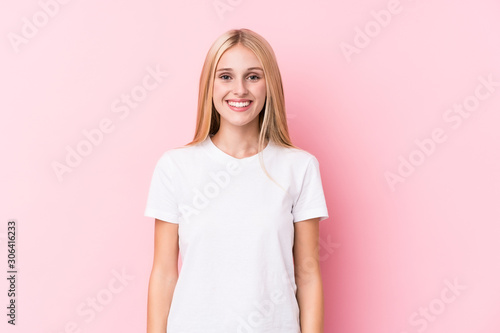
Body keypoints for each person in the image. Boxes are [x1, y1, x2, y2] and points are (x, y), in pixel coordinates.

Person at [144, 28, 329, 333]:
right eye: (226, 76)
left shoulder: (299, 167)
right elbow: (164, 273)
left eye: (253, 76)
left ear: (269, 84)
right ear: (209, 85)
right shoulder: (175, 166)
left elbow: (308, 274)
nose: (240, 89)